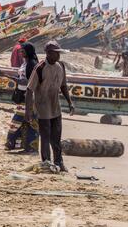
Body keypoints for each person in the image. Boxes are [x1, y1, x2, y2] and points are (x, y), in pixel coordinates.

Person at [25, 41, 75, 172]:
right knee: (46, 136)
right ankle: (46, 162)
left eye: (59, 53)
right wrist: (28, 111)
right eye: (56, 53)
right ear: (48, 53)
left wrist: (70, 102)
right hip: (43, 107)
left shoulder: (61, 66)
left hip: (55, 106)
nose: (58, 56)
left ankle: (59, 162)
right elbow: (29, 90)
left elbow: (63, 86)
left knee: (56, 137)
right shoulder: (40, 68)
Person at [5, 43, 39, 152]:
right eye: (21, 51)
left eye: (23, 51)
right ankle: (25, 146)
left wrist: (13, 78)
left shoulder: (32, 64)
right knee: (25, 122)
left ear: (28, 51)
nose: (21, 53)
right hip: (22, 94)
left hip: (28, 97)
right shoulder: (25, 63)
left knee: (18, 120)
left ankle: (14, 143)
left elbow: (30, 81)